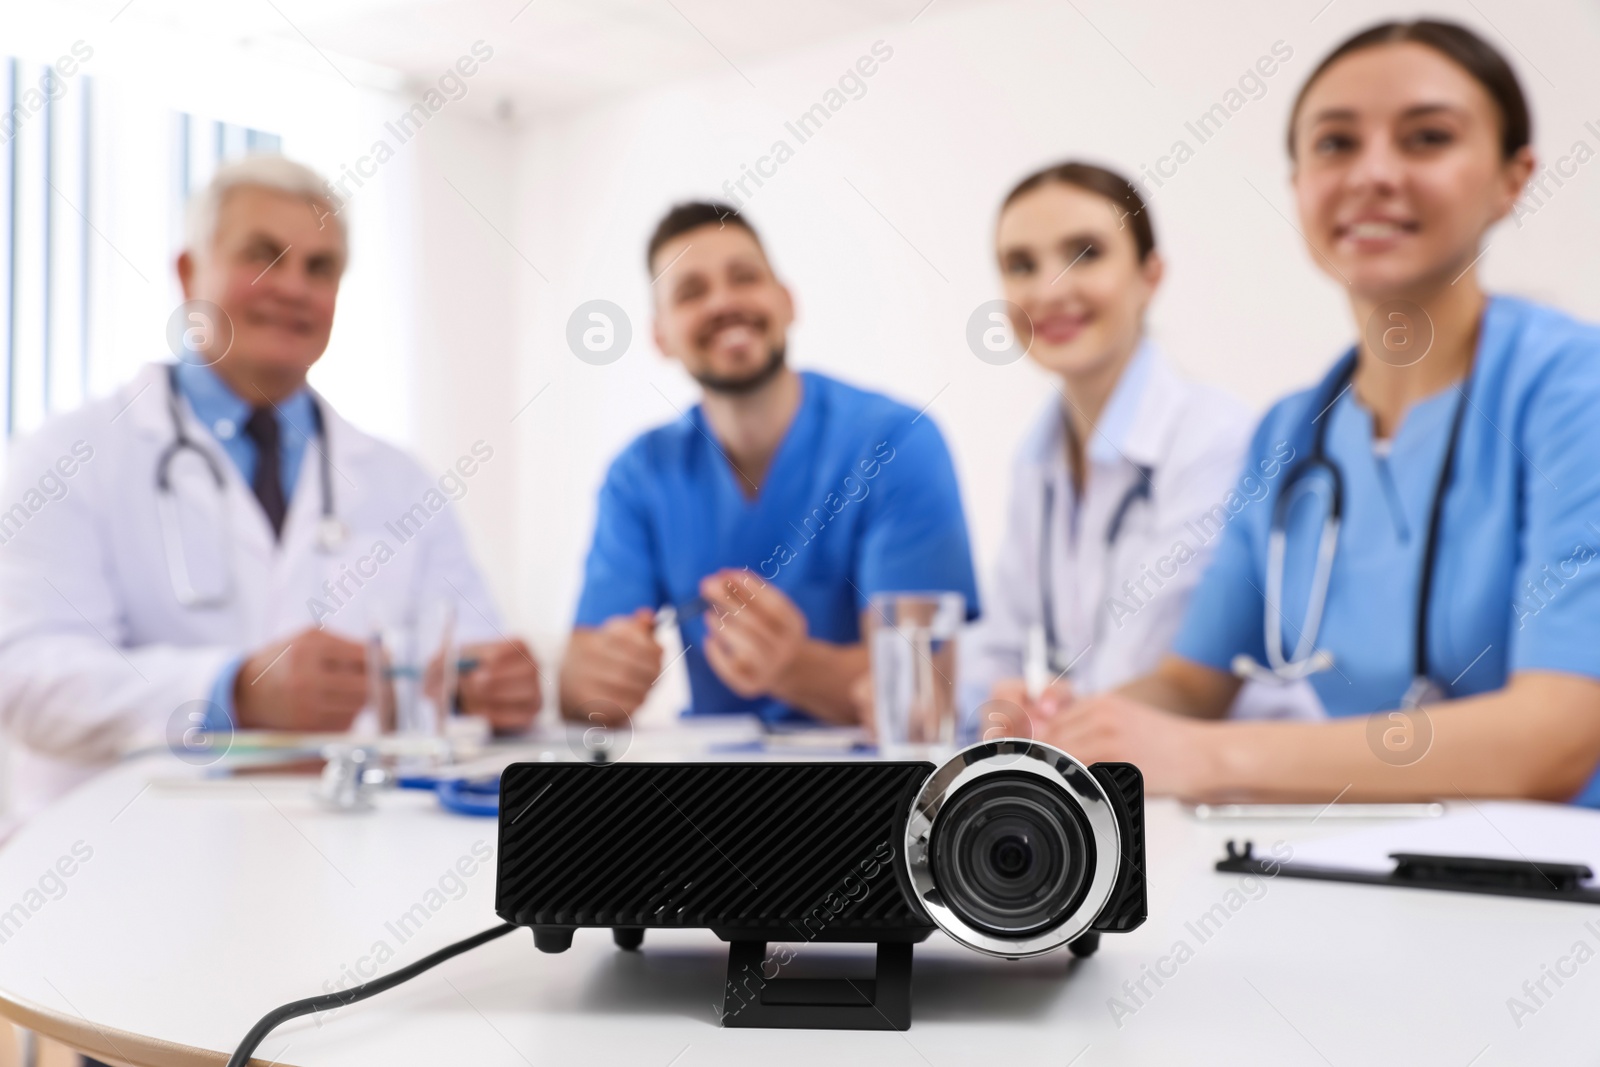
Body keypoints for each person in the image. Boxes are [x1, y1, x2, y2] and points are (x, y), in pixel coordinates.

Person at [1036, 20, 1600, 804]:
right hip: (1364, 866)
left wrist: (1211, 759)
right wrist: (1068, 732)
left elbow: (1556, 737)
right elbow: (1190, 684)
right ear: (1298, 185)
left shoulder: (1574, 389)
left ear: (1513, 177)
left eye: (1427, 137)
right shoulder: (1289, 434)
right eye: (1335, 144)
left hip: (1559, 893)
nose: (1372, 173)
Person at [0, 156, 541, 824]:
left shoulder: (401, 481)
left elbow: (468, 653)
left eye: (320, 268)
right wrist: (231, 691)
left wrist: (493, 688)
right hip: (119, 856)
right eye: (263, 255)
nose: (293, 287)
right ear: (188, 272)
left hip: (351, 850)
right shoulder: (67, 454)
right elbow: (22, 674)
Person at [559, 201, 980, 728]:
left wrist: (793, 668)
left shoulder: (898, 442)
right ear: (661, 335)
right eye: (691, 292)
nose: (723, 302)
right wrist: (594, 678)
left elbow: (922, 697)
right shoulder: (638, 475)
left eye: (744, 277)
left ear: (787, 302)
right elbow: (578, 689)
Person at [961, 161, 1318, 732]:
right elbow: (996, 650)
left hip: (1237, 780)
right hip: (1117, 766)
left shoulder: (1214, 439)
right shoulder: (1038, 458)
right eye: (1021, 265)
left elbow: (1152, 668)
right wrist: (1000, 699)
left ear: (1149, 276)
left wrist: (1047, 715)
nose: (1051, 289)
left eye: (1086, 253)